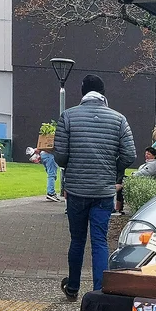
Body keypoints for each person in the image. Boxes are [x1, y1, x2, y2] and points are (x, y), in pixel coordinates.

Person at [53, 73, 137, 299]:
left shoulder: (67, 117)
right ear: (103, 93)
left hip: (77, 190)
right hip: (103, 191)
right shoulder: (118, 119)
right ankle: (99, 291)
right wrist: (113, 169)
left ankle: (72, 287)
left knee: (77, 239)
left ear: (82, 92)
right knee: (99, 240)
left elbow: (59, 158)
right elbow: (129, 154)